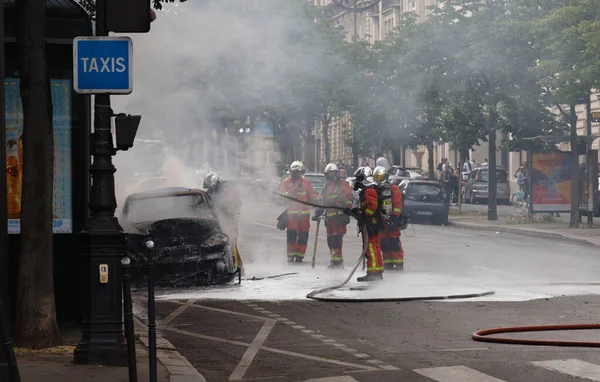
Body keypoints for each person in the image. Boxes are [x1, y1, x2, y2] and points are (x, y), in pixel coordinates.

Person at [203, 171, 244, 275]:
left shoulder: (228, 192)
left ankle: (234, 270)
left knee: (231, 245)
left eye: (212, 188)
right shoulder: (209, 193)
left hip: (230, 223)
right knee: (227, 247)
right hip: (218, 224)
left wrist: (225, 212)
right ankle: (238, 268)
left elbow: (235, 205)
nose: (211, 190)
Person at [313, 163, 353, 269]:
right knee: (330, 240)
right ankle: (334, 260)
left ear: (336, 173)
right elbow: (321, 201)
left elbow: (349, 198)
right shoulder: (326, 186)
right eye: (329, 173)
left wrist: (346, 211)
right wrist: (318, 212)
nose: (331, 175)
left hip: (339, 217)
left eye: (333, 173)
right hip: (329, 218)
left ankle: (337, 262)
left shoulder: (342, 184)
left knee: (336, 240)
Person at [348, 167, 384, 282]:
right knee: (375, 248)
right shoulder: (369, 189)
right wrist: (356, 212)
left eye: (358, 179)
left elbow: (372, 207)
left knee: (371, 249)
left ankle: (373, 272)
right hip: (371, 225)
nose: (357, 181)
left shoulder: (368, 190)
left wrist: (364, 215)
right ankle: (377, 271)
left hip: (371, 226)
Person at [277, 161, 317, 263]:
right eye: (295, 172)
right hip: (292, 215)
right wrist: (293, 190)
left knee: (303, 235)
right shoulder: (286, 183)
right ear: (291, 172)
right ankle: (290, 255)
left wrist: (316, 199)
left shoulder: (306, 183)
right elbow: (282, 196)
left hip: (304, 215)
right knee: (291, 235)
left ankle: (300, 256)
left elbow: (312, 195)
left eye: (299, 172)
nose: (297, 174)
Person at [373, 166, 404, 271]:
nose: (379, 180)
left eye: (381, 178)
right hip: (381, 220)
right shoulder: (374, 190)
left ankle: (398, 263)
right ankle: (387, 262)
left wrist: (395, 217)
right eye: (377, 178)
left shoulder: (393, 189)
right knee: (383, 243)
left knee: (393, 242)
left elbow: (397, 204)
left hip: (391, 219)